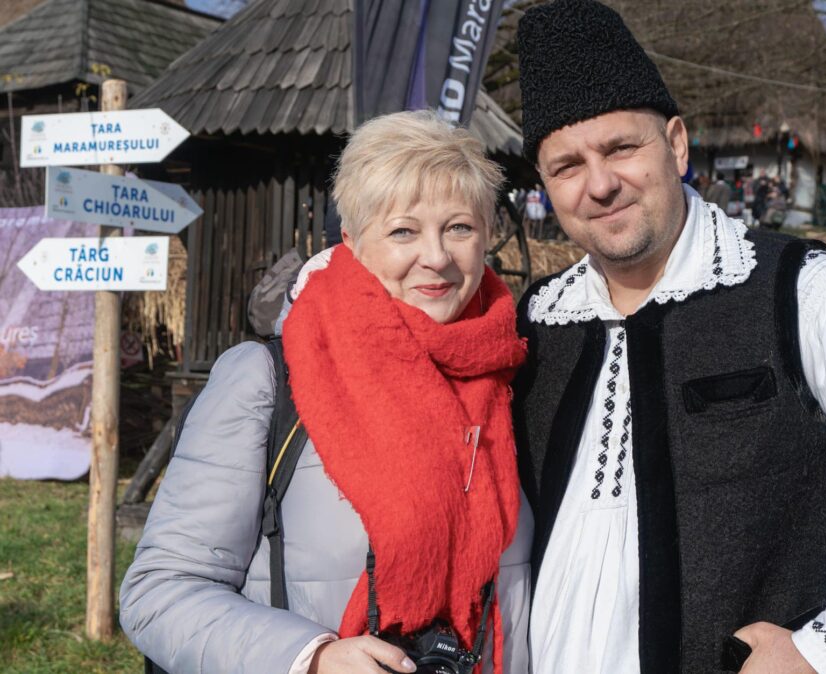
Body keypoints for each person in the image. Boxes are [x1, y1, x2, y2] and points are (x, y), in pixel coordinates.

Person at [511, 1, 826, 673]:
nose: (599, 185)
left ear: (677, 144)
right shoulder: (537, 322)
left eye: (621, 148)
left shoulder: (802, 292)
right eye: (567, 166)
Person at [120, 111, 533, 674]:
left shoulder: (515, 375)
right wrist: (308, 659)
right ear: (353, 242)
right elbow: (159, 592)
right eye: (403, 231)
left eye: (458, 228)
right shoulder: (267, 380)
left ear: (485, 236)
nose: (436, 257)